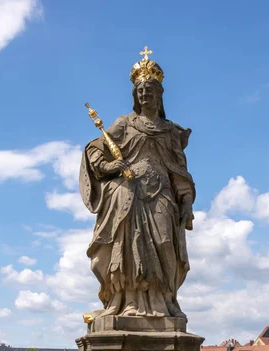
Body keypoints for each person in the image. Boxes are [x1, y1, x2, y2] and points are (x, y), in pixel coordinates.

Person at [79, 52, 195, 318]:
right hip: (129, 196)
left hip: (161, 193)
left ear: (159, 94)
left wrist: (186, 203)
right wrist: (109, 167)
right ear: (136, 95)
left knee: (166, 243)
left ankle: (163, 302)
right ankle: (128, 302)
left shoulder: (169, 131)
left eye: (150, 90)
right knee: (131, 251)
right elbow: (94, 148)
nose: (145, 94)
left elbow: (180, 172)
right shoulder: (125, 124)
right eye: (141, 90)